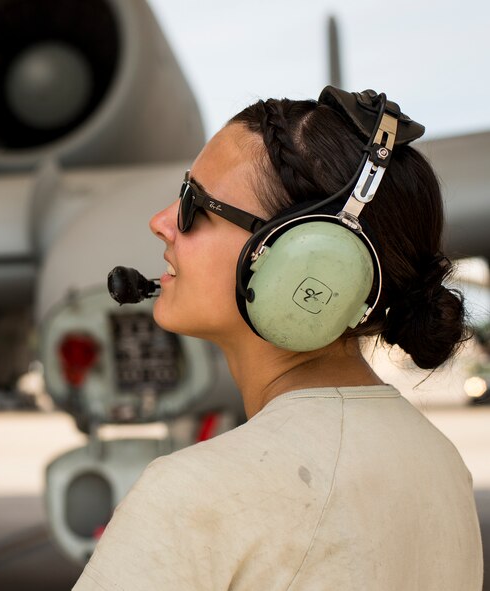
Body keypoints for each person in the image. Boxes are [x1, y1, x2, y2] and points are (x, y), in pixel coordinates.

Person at [73, 89, 484, 590]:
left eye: (194, 205)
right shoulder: (441, 465)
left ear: (308, 258)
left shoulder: (193, 496)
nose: (160, 223)